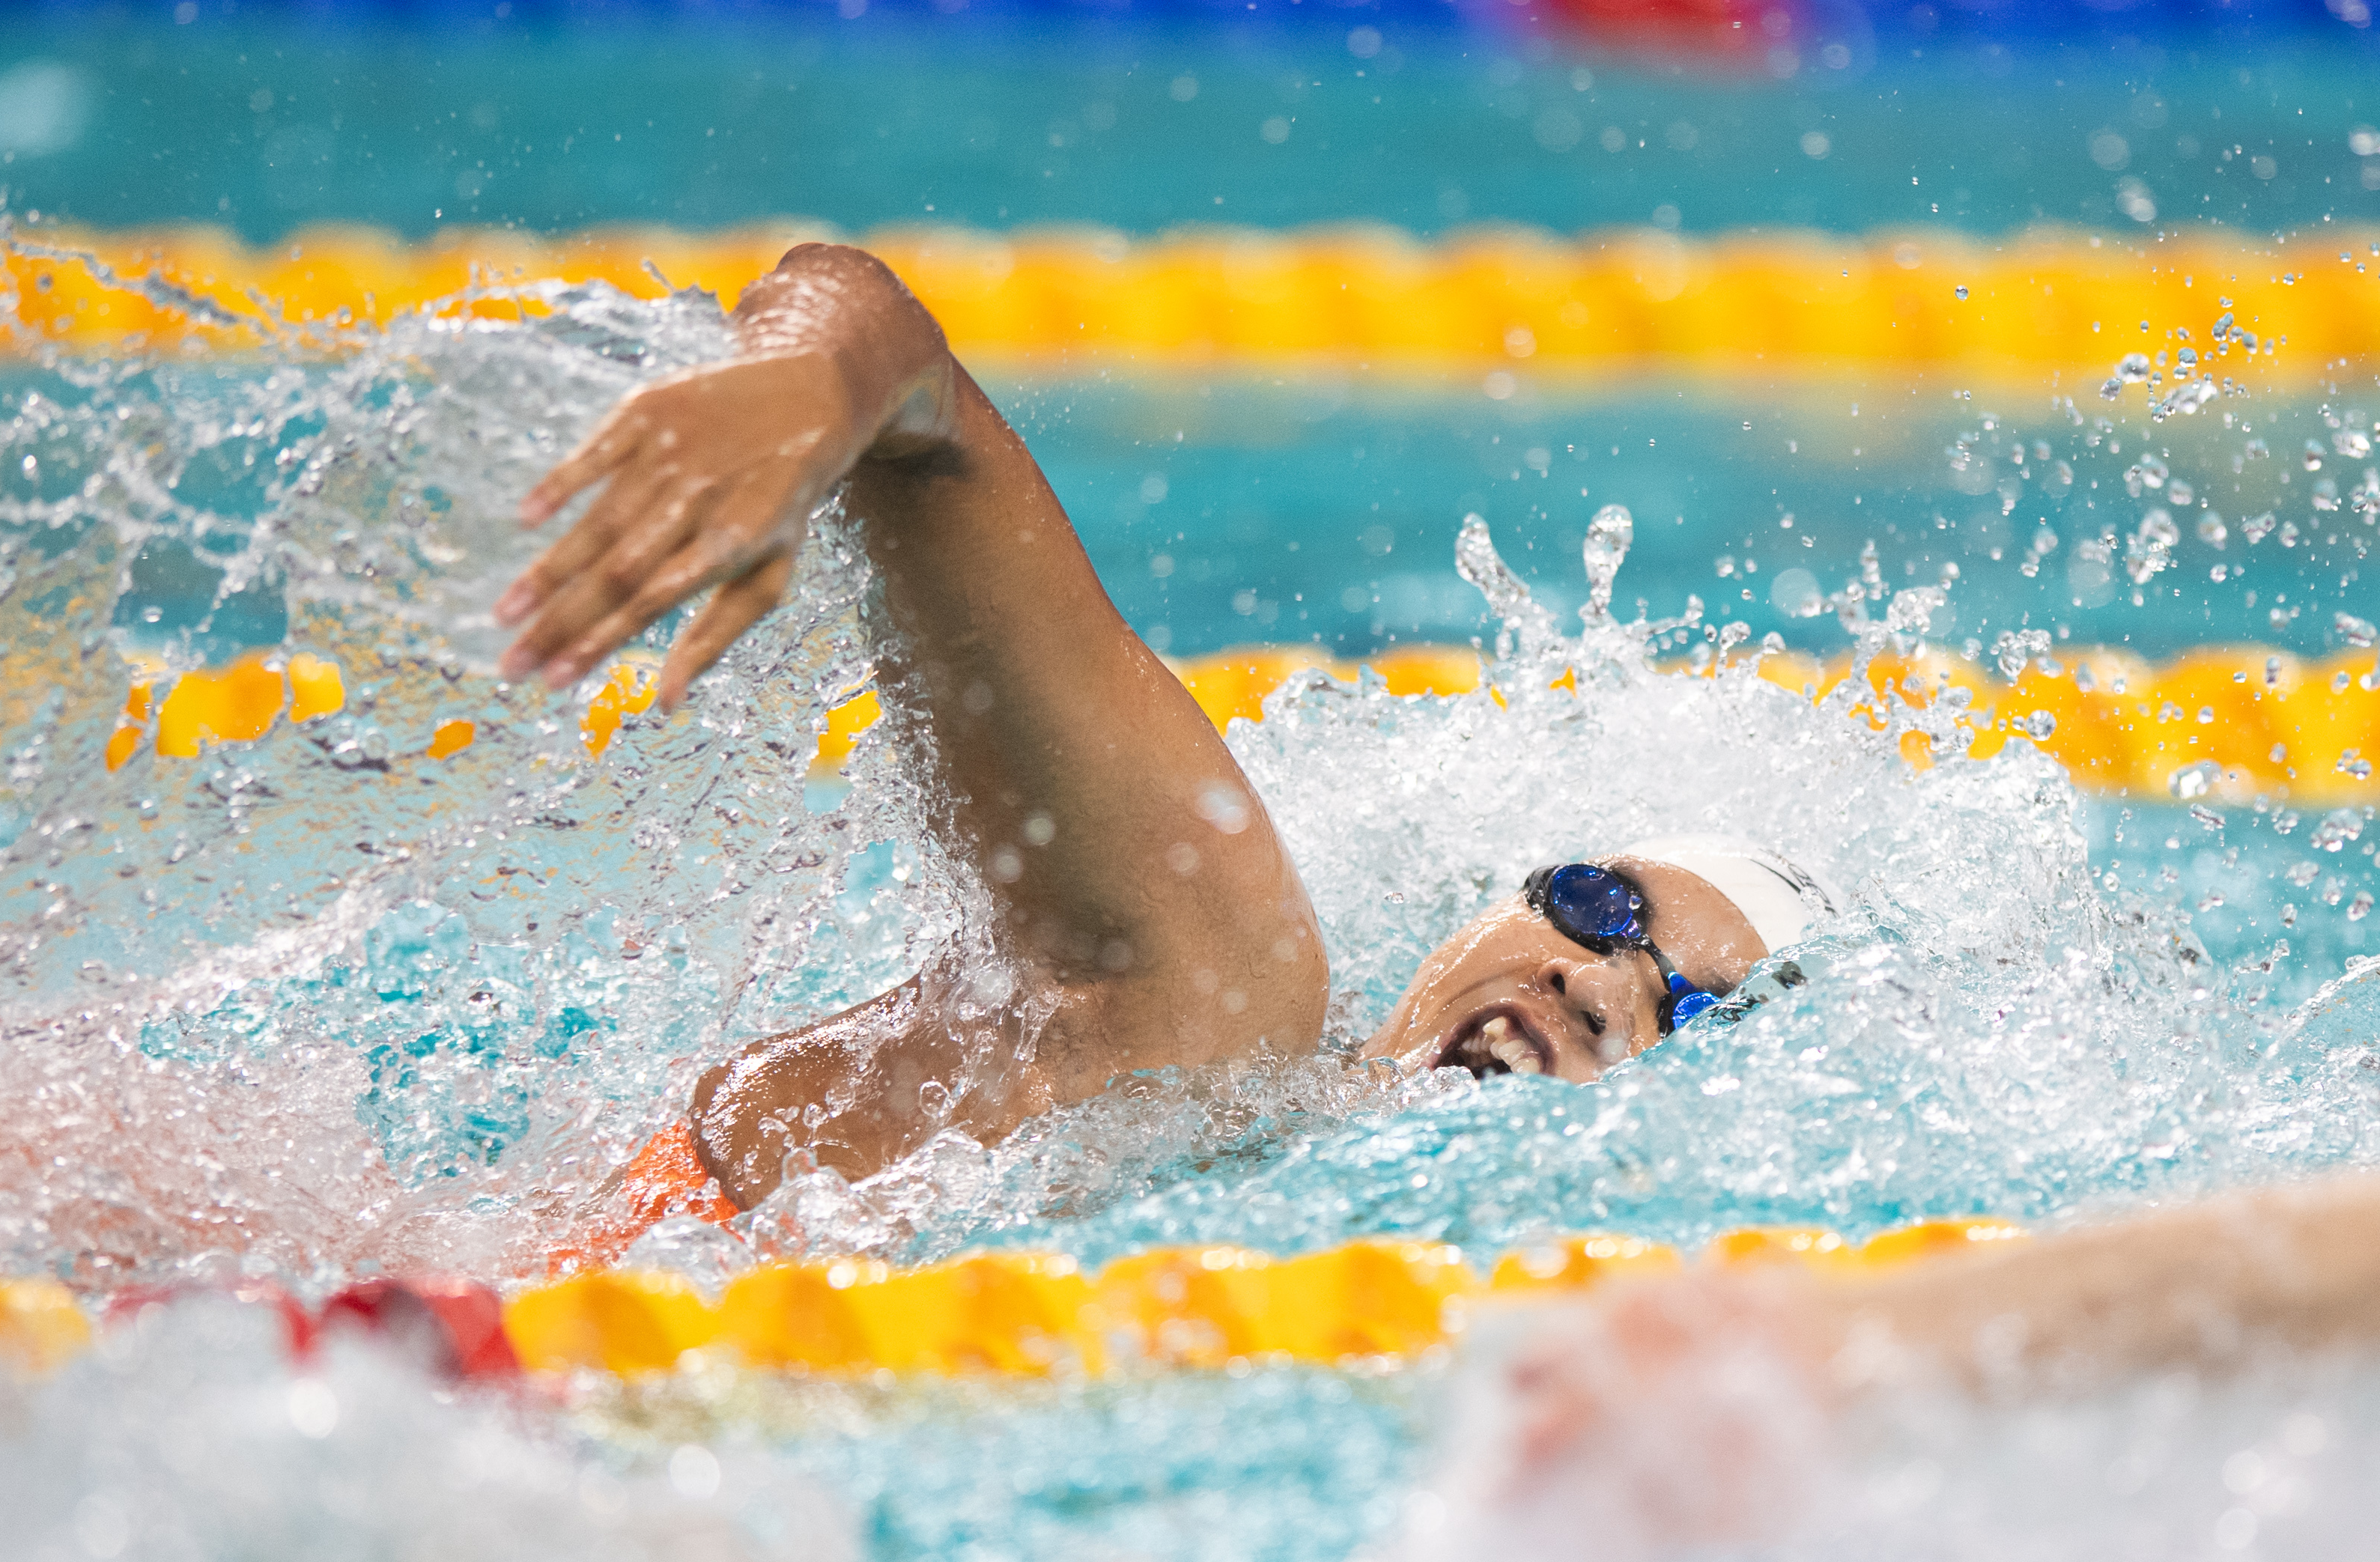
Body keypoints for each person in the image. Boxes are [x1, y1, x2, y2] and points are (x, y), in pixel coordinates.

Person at [490, 243, 1825, 1220]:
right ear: (1490, 909)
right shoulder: (1218, 1000)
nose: (1600, 983)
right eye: (1599, 906)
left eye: (1681, 1010)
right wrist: (801, 381)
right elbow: (909, 382)